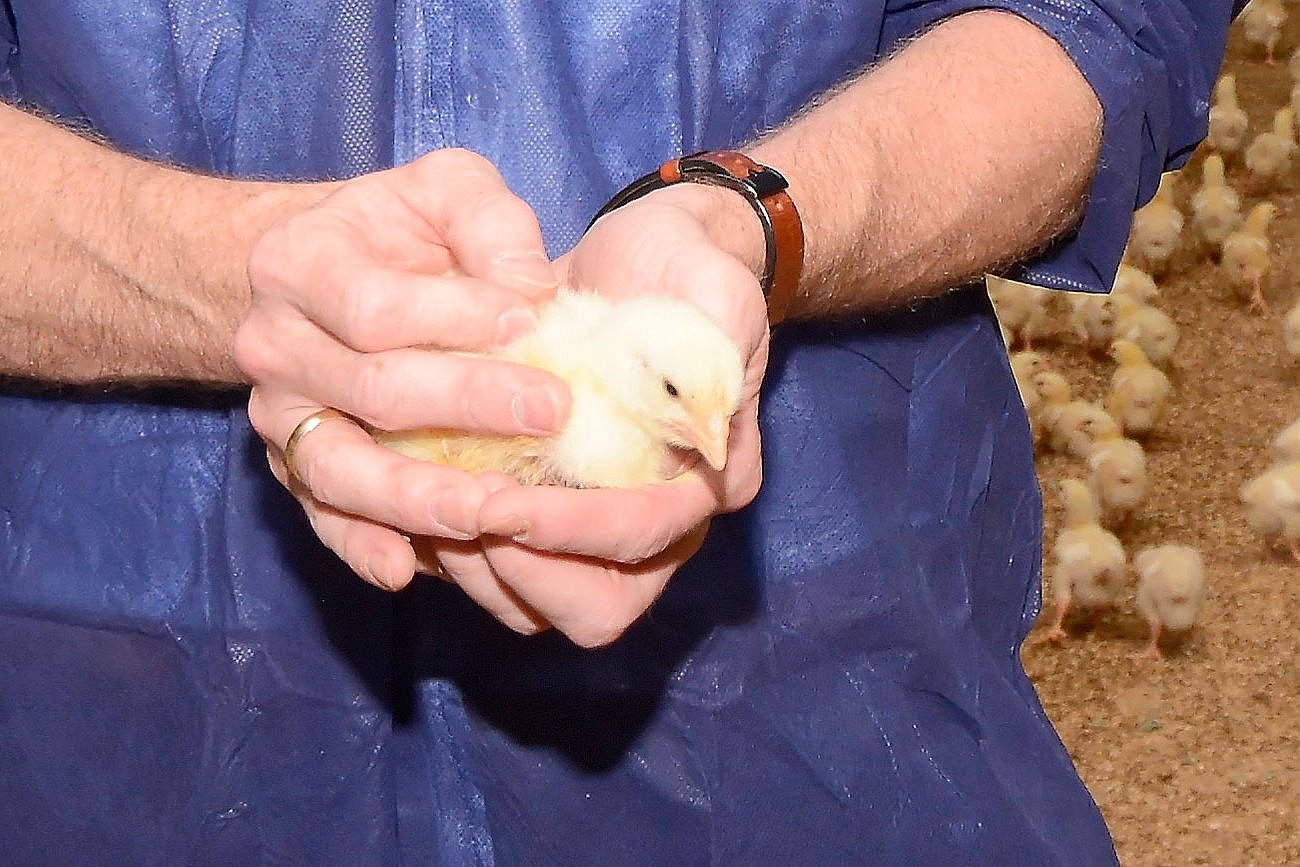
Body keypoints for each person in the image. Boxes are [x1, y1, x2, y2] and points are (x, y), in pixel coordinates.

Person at [0, 3, 1231, 863]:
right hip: (124, 673)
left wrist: (764, 217)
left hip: (828, 688)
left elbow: (1094, 23)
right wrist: (220, 274)